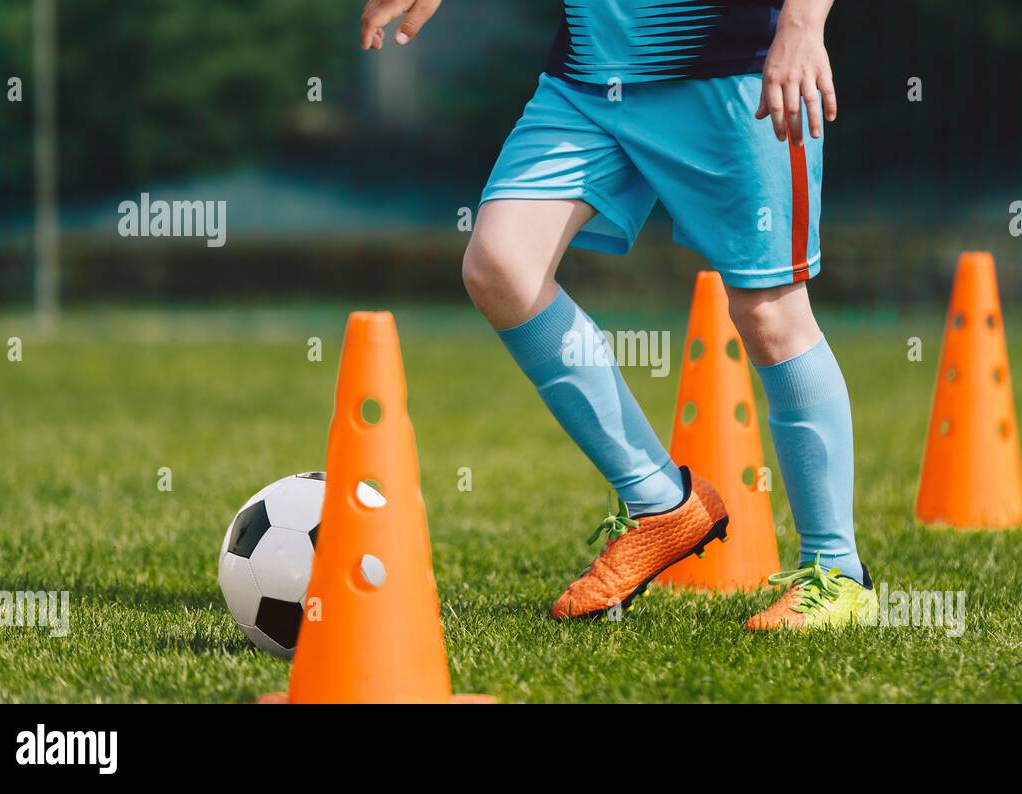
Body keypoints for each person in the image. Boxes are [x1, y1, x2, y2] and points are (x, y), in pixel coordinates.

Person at [360, 0, 877, 630]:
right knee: (500, 266)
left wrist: (802, 25)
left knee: (769, 313)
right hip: (588, 78)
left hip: (734, 71)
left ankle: (838, 572)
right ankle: (661, 504)